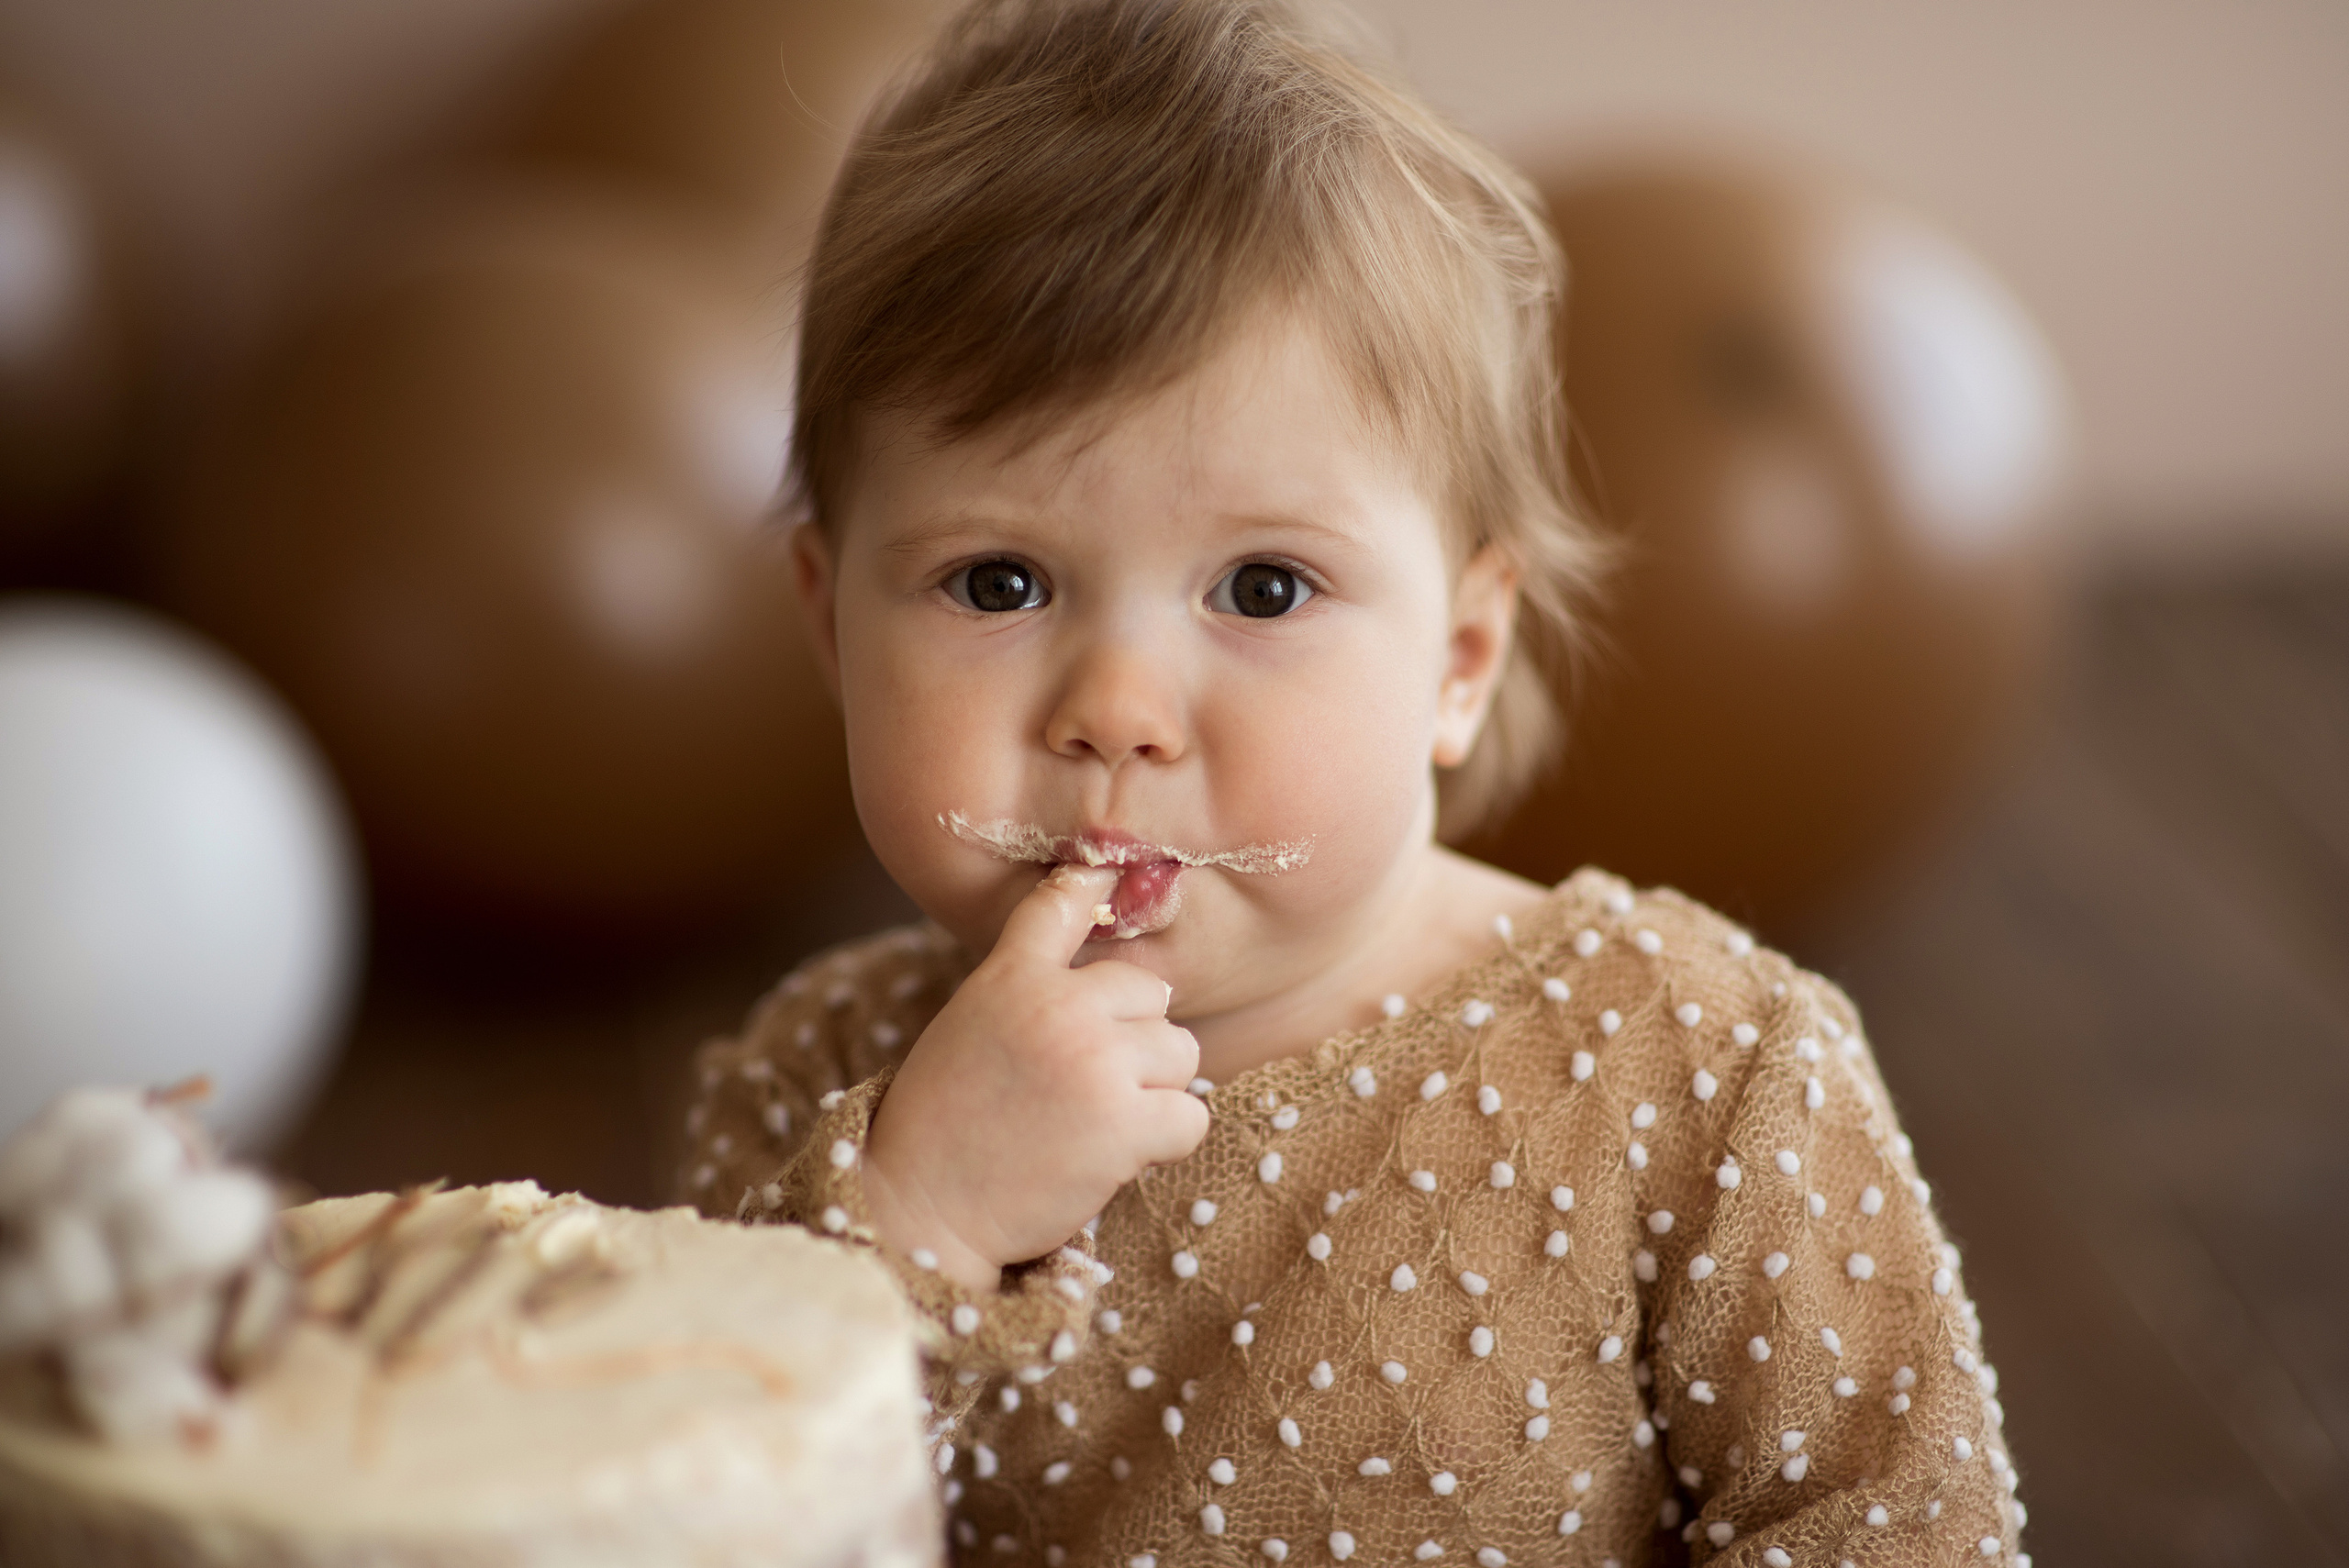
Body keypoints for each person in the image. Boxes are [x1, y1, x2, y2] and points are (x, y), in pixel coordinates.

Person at [679, 1, 2023, 1562]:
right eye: (997, 584)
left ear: (1458, 657)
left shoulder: (1701, 1072)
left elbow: (1900, 1524)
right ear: (829, 628)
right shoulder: (820, 1084)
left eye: (1259, 590)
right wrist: (914, 1225)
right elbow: (686, 1514)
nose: (1116, 714)